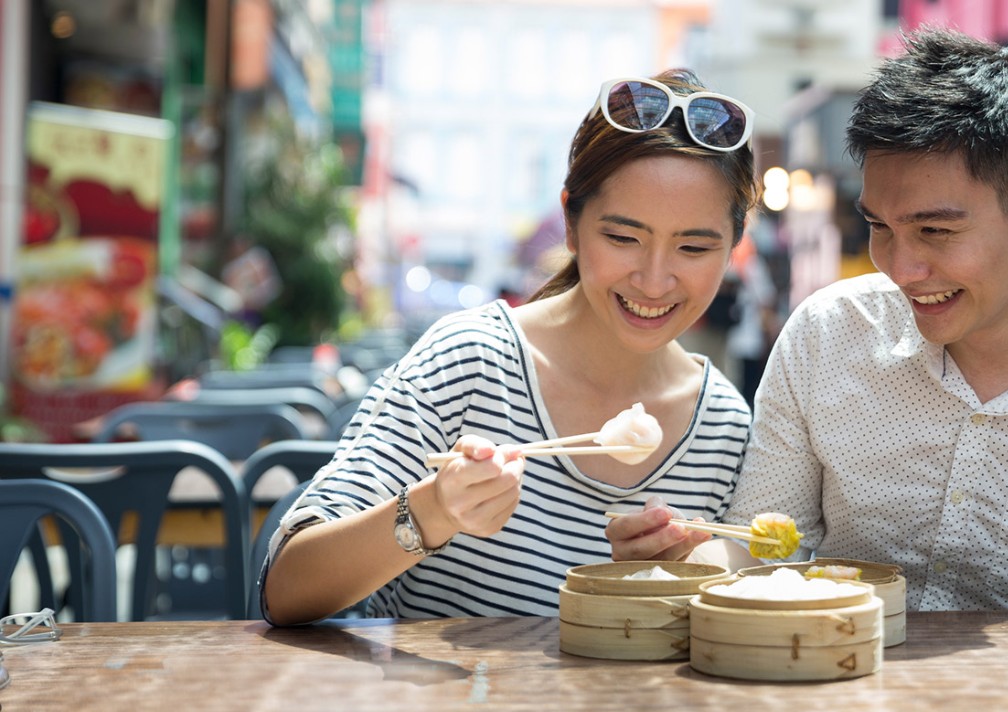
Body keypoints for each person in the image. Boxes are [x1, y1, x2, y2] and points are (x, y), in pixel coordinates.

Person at [608, 28, 1008, 613]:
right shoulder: (826, 337)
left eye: (935, 230)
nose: (901, 267)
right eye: (880, 226)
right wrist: (686, 563)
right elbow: (763, 547)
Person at [260, 69, 758, 624]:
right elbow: (286, 587)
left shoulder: (724, 425)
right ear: (571, 224)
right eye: (622, 238)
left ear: (734, 248)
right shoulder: (469, 361)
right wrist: (433, 510)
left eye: (693, 247)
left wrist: (658, 585)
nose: (654, 279)